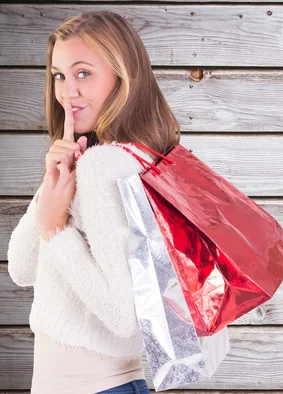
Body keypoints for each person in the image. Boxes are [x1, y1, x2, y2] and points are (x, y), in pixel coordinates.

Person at [7, 11, 180, 393]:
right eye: (59, 75)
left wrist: (55, 228)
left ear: (123, 76)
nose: (68, 91)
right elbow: (21, 268)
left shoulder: (104, 167)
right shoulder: (109, 158)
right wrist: (53, 186)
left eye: (83, 73)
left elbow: (122, 317)